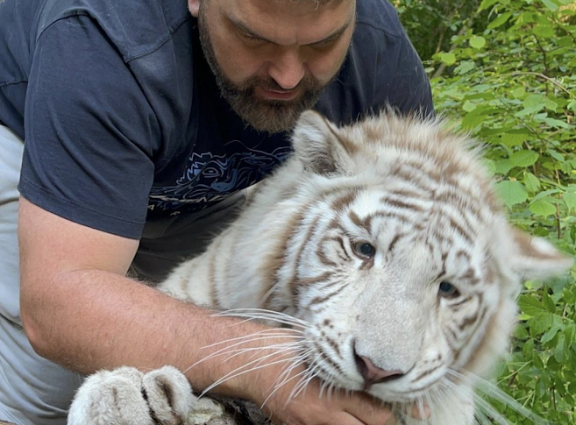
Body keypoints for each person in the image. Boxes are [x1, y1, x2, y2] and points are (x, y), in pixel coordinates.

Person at [0, 0, 434, 423]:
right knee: (55, 396)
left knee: (190, 366)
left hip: (198, 183)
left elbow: (424, 243)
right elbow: (58, 301)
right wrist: (265, 366)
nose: (288, 76)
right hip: (33, 139)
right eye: (253, 37)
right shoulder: (101, 38)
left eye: (322, 45)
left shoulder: (378, 52)